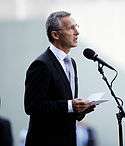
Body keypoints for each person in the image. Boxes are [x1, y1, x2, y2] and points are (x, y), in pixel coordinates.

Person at [24, 11, 96, 146]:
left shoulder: (72, 63)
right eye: (71, 28)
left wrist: (80, 110)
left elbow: (66, 109)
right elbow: (32, 107)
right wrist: (71, 105)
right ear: (55, 35)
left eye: (77, 26)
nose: (77, 32)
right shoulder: (41, 65)